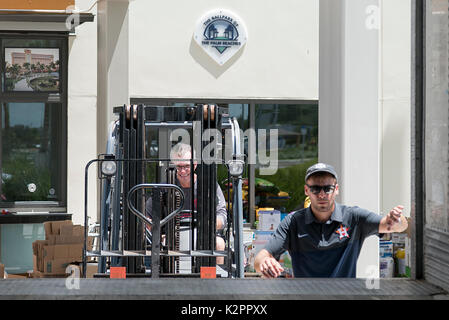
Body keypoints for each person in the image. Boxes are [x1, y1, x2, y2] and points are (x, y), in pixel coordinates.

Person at [254, 162, 408, 278]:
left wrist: (396, 219)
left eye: (327, 189)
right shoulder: (293, 222)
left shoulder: (353, 217)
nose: (322, 195)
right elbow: (260, 259)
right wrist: (265, 264)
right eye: (315, 189)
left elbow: (396, 226)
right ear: (306, 190)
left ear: (336, 189)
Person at [145, 142, 227, 265]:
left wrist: (208, 224)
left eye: (186, 166)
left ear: (194, 165)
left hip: (202, 236)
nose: (183, 171)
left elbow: (222, 216)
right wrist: (156, 232)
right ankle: (165, 279)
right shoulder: (165, 187)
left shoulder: (209, 186)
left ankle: (213, 279)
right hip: (172, 237)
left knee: (219, 243)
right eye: (179, 166)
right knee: (160, 245)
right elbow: (147, 216)